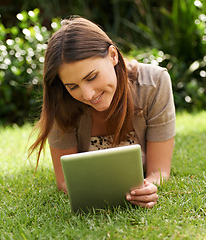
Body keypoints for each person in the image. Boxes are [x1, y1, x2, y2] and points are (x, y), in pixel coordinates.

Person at [28, 16, 175, 209]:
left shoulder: (154, 84)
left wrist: (147, 189)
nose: (88, 95)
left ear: (113, 55)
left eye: (92, 77)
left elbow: (159, 172)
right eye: (73, 86)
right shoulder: (62, 99)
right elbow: (65, 182)